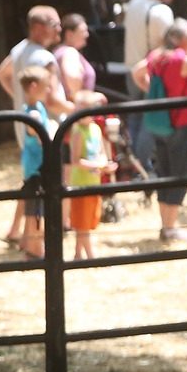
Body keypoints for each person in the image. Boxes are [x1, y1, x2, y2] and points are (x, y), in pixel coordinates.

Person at [129, 20, 187, 242]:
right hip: (181, 123)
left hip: (160, 122)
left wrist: (153, 92)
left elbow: (137, 73)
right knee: (181, 173)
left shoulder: (157, 56)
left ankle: (166, 225)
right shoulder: (179, 60)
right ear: (183, 38)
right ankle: (170, 227)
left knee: (165, 172)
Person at [0, 6, 73, 247]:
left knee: (31, 180)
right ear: (40, 27)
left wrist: (20, 99)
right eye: (55, 24)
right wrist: (79, 109)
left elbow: (2, 73)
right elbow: (52, 100)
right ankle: (45, 234)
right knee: (48, 181)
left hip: (26, 127)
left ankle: (17, 231)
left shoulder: (19, 50)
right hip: (46, 131)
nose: (59, 29)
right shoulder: (45, 58)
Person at [122, 0, 181, 174]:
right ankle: (142, 166)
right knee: (151, 121)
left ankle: (132, 162)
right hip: (150, 72)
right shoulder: (162, 11)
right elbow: (172, 42)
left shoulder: (134, 3)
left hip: (130, 69)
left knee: (135, 119)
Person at [66, 92, 113, 261]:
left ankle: (78, 254)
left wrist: (106, 164)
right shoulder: (78, 131)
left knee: (88, 221)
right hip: (81, 182)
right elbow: (76, 160)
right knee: (82, 223)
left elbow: (100, 152)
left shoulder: (95, 129)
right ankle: (90, 255)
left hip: (94, 181)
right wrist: (98, 165)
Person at [14, 67, 53, 258]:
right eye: (46, 87)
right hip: (35, 169)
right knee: (35, 210)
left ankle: (31, 244)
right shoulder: (32, 115)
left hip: (39, 166)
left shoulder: (39, 109)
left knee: (36, 208)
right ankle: (34, 248)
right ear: (33, 87)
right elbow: (39, 136)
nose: (49, 91)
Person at [54, 12, 96, 99]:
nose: (87, 35)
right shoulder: (70, 52)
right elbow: (73, 78)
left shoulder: (59, 51)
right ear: (69, 34)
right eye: (83, 31)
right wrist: (85, 100)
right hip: (79, 108)